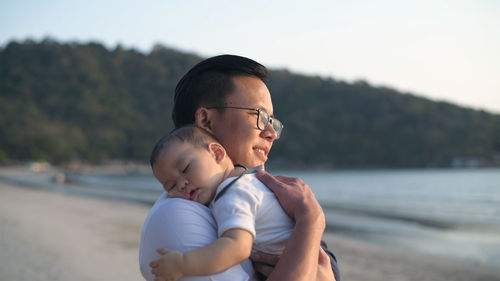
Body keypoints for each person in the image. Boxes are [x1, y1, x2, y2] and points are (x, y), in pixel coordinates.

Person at [139, 54, 340, 281]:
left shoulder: (252, 189)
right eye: (260, 115)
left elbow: (329, 264)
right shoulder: (177, 214)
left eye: (272, 121)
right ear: (205, 121)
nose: (271, 133)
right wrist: (311, 219)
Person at [149, 125, 294, 281]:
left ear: (217, 154)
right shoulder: (246, 181)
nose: (181, 184)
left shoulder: (233, 194)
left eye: (186, 168)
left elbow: (237, 247)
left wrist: (183, 264)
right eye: (170, 186)